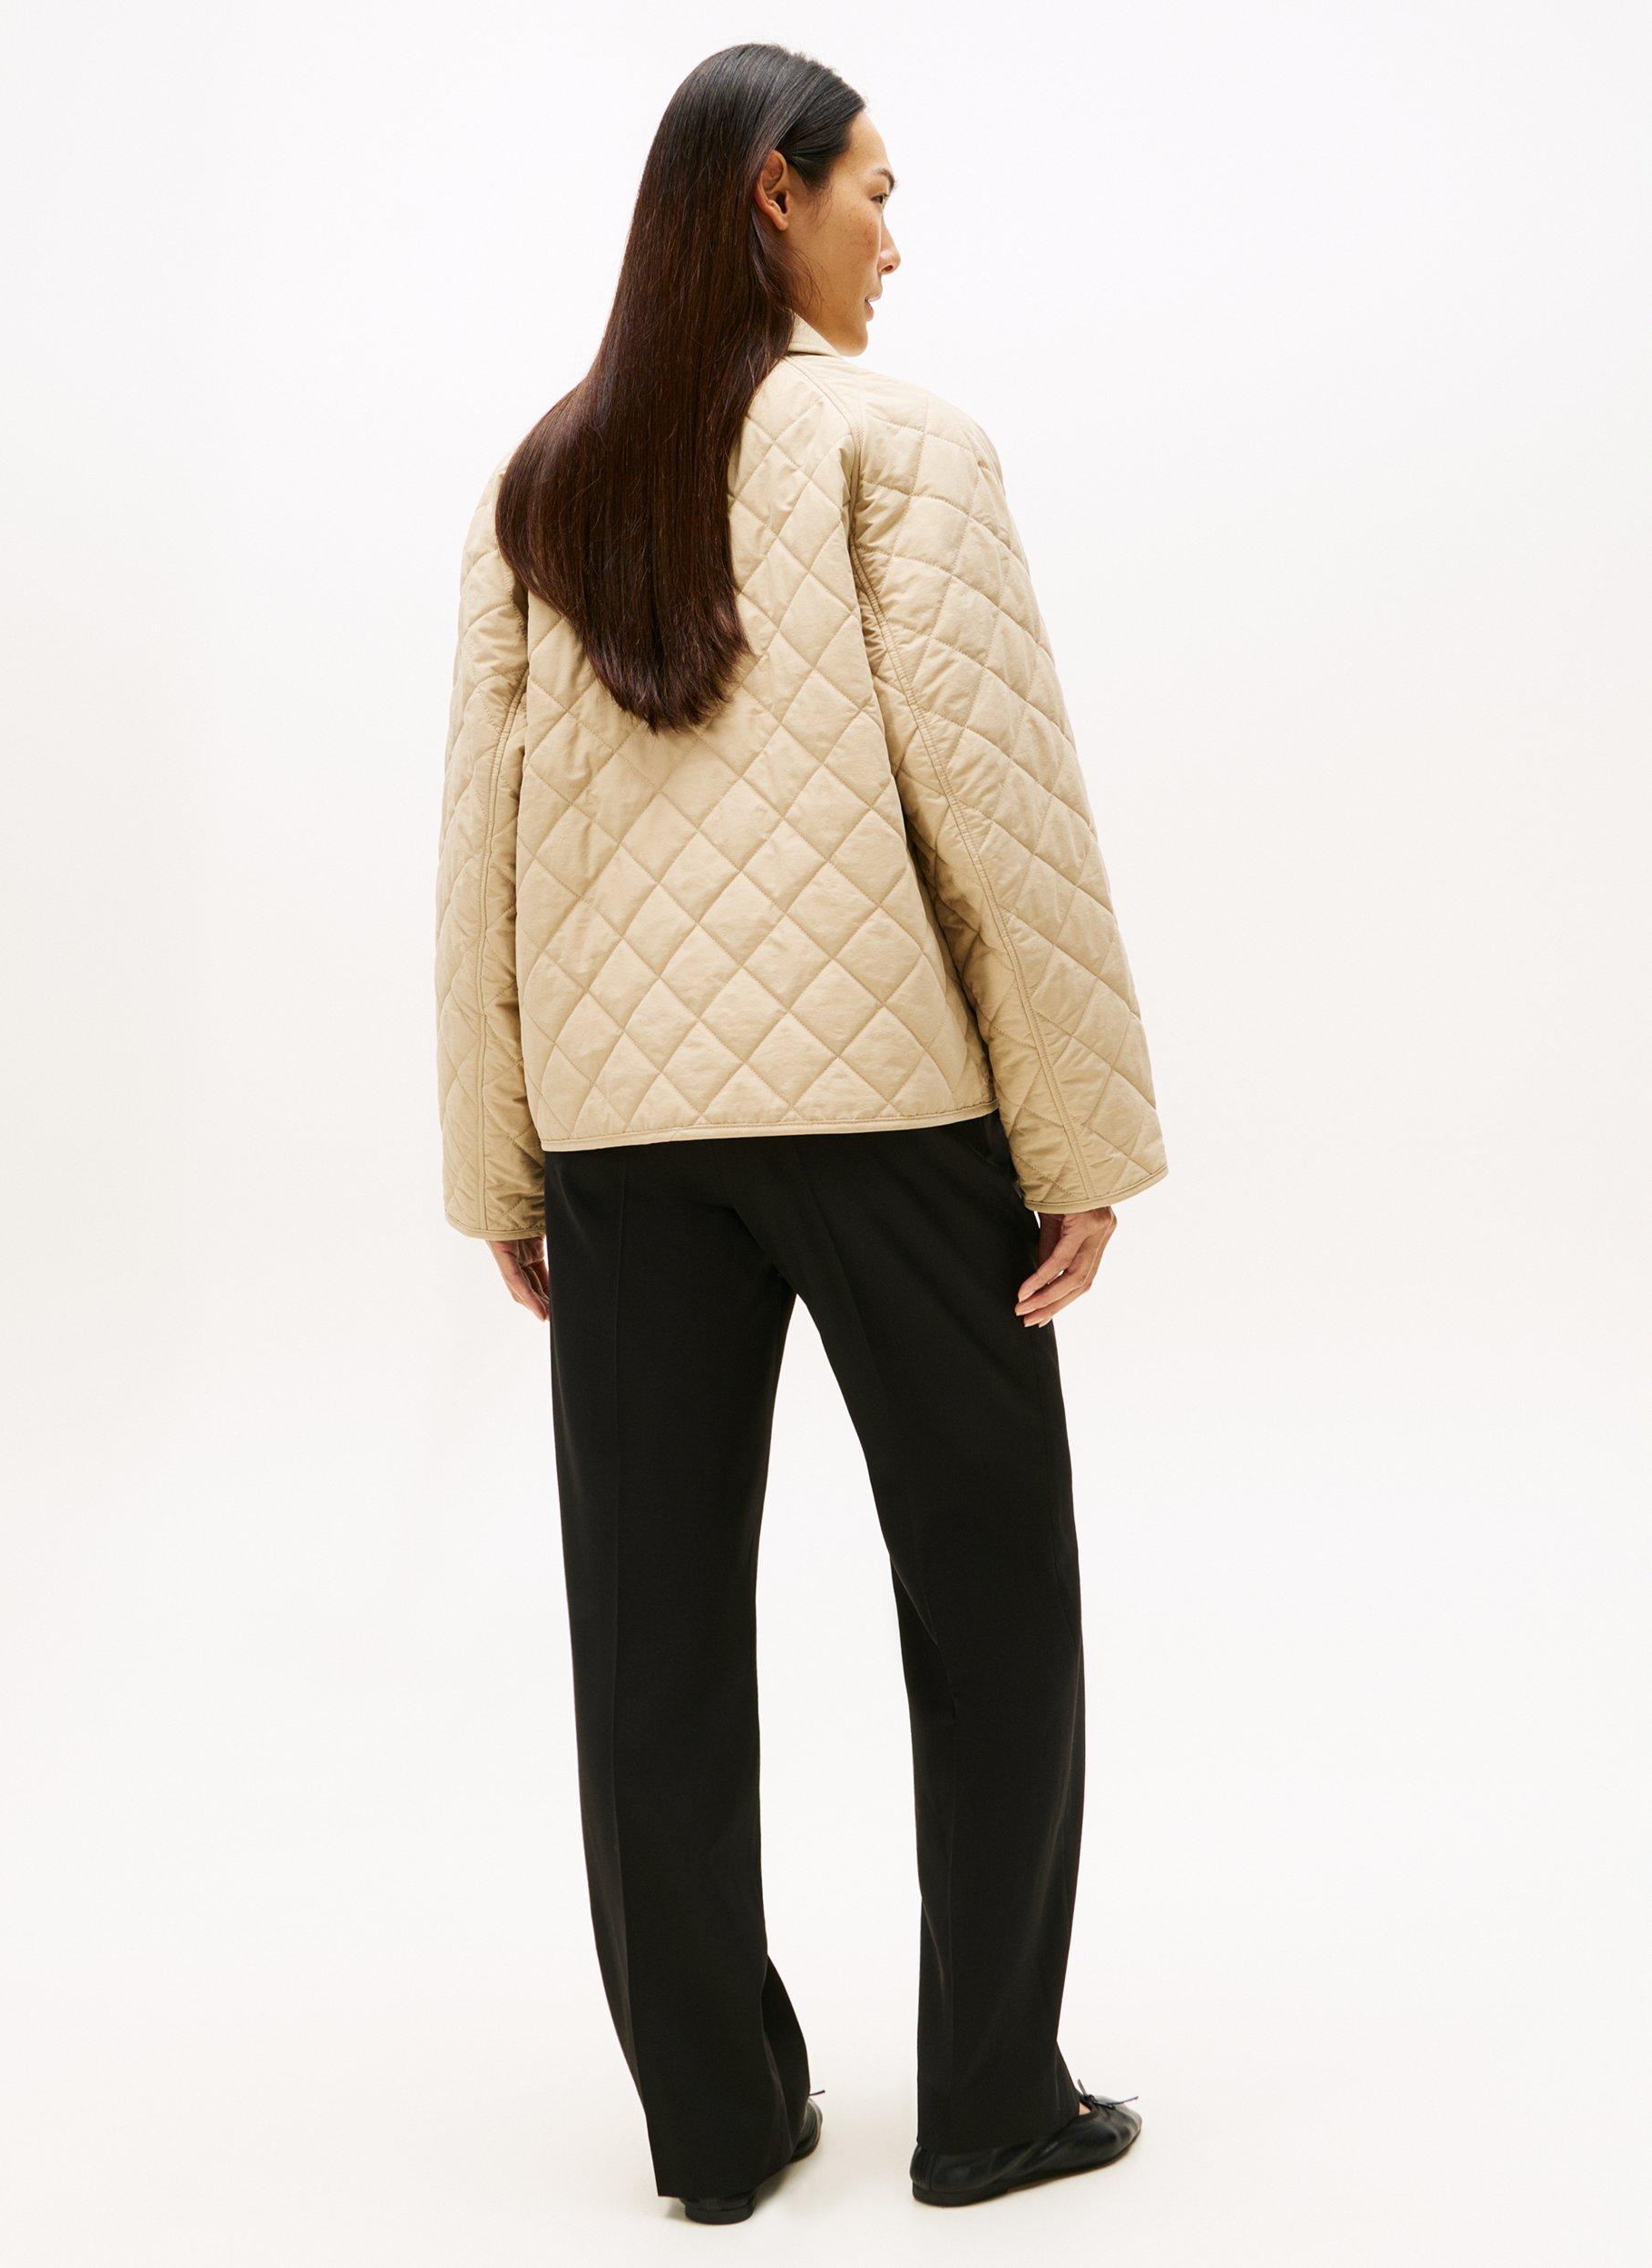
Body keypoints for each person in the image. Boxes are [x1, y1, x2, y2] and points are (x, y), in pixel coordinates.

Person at [434, 40, 1167, 2224]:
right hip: (888, 1117)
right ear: (773, 191)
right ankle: (991, 2099)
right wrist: (1075, 1128)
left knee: (646, 1630)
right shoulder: (895, 442)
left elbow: (480, 849)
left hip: (621, 1140)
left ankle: (717, 2124)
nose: (890, 238)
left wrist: (501, 1158)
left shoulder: (543, 479)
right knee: (991, 1587)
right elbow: (993, 806)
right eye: (871, 190)